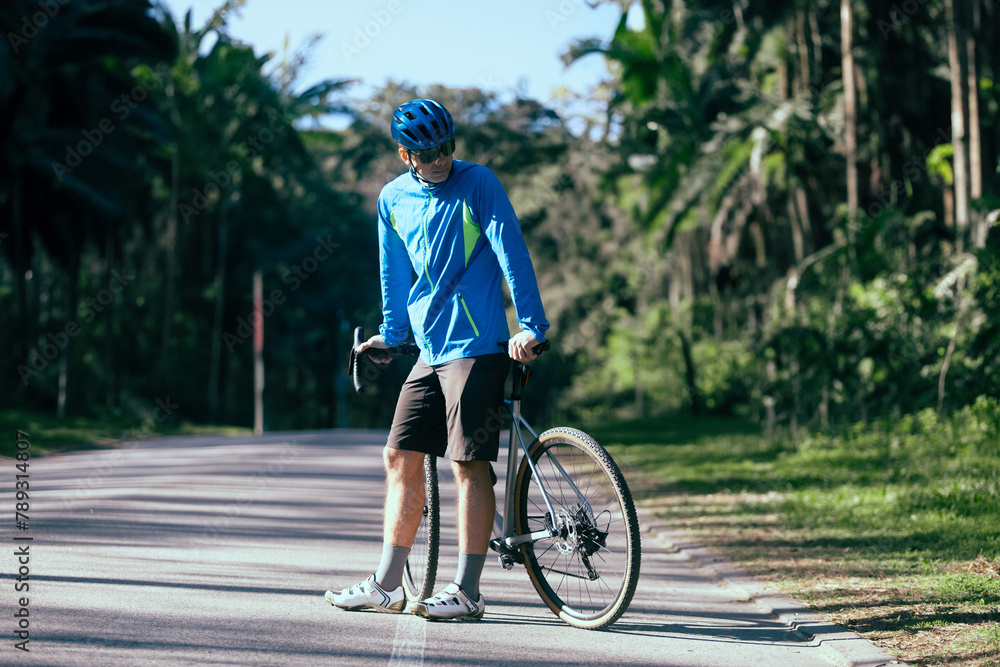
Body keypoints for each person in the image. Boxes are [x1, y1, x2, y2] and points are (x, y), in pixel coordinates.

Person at [325, 99, 549, 621]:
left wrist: (531, 325)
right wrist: (391, 334)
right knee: (399, 456)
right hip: (428, 351)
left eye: (446, 147)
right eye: (427, 153)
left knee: (468, 465)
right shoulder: (393, 199)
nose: (440, 159)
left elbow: (511, 251)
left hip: (477, 346)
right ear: (406, 155)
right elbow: (394, 273)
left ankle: (468, 591)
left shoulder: (478, 184)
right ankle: (386, 586)